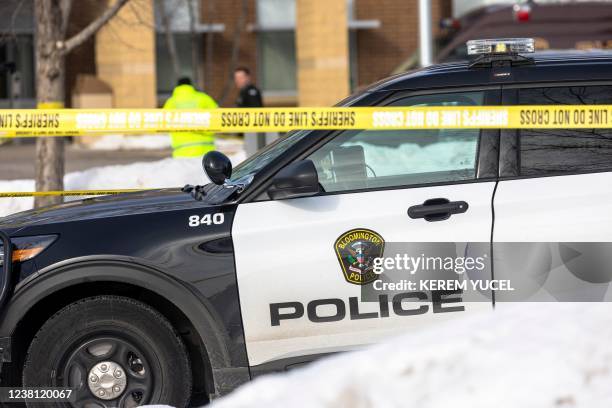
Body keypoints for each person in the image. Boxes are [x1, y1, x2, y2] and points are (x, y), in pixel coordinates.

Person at [163, 77, 218, 158]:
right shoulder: (203, 98)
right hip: (205, 149)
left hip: (181, 150)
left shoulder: (171, 101)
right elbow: (218, 116)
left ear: (177, 86)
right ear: (191, 85)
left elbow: (164, 122)